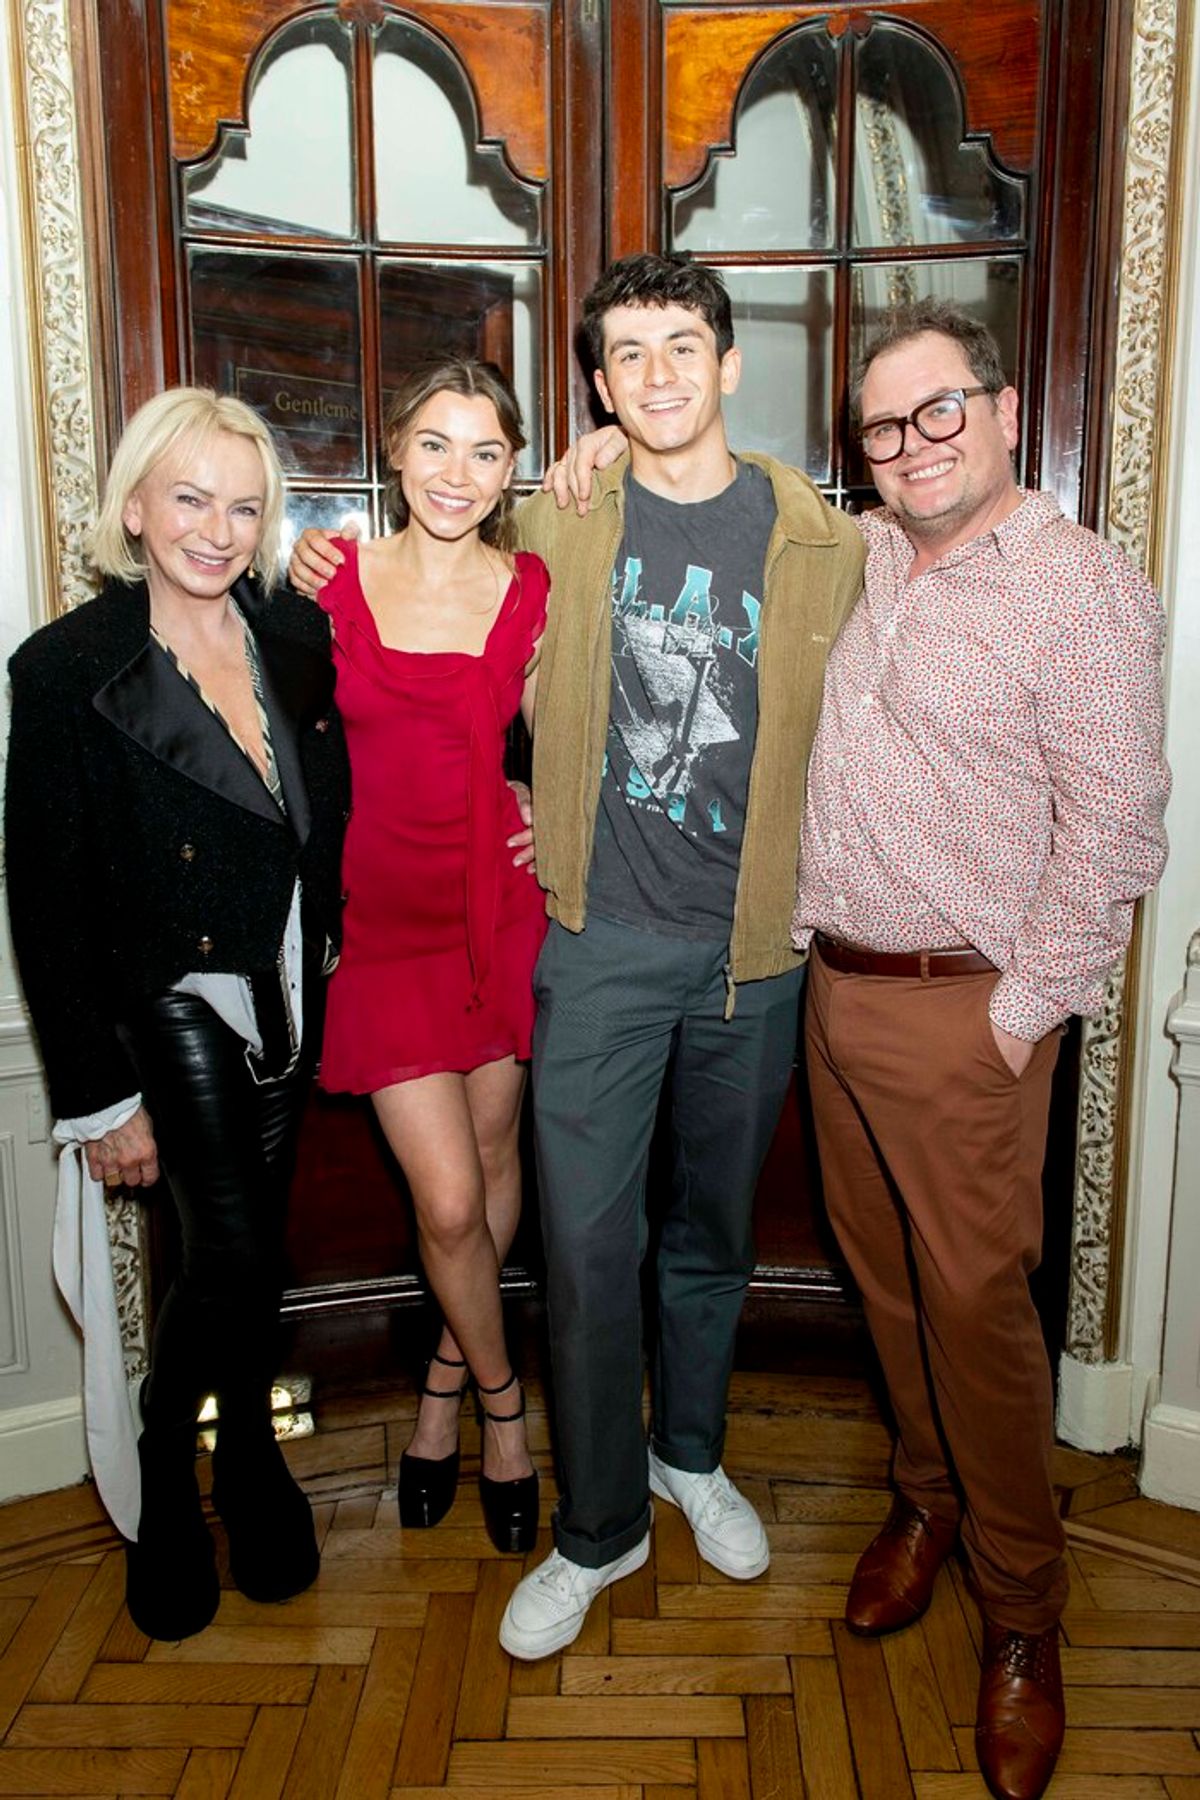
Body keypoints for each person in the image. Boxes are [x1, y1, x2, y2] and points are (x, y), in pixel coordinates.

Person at [289, 253, 865, 1657]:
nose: (658, 376)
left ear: (730, 365)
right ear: (598, 387)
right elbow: (452, 644)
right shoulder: (557, 518)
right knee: (587, 1249)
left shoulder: (826, 543)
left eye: (683, 347)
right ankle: (599, 1525)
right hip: (595, 943)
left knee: (713, 1236)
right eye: (628, 355)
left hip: (754, 952)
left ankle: (691, 1457)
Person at [792, 300, 1170, 1800]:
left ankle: (1024, 1609)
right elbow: (729, 505)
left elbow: (1115, 838)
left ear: (1005, 411)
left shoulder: (1081, 592)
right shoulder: (871, 555)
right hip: (837, 994)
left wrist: (1015, 1023)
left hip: (967, 1015)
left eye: (938, 409)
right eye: (884, 426)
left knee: (978, 1320)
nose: (911, 444)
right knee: (887, 1289)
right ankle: (925, 1498)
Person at [5, 388, 351, 1642]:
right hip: (173, 996)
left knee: (240, 1252)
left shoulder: (294, 635)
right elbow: (44, 892)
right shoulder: (67, 667)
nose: (217, 529)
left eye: (244, 507)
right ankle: (170, 1459)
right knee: (239, 1255)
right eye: (191, 499)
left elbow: (355, 782)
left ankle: (247, 1450)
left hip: (292, 982)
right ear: (138, 508)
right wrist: (100, 1097)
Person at [310, 359, 547, 1554]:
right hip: (382, 930)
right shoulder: (331, 582)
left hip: (496, 911)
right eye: (437, 445)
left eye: (487, 451)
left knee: (494, 1165)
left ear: (512, 471)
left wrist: (553, 811)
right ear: (396, 449)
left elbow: (578, 738)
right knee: (448, 1201)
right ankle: (503, 1407)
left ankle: (440, 1395)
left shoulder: (530, 591)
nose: (459, 473)